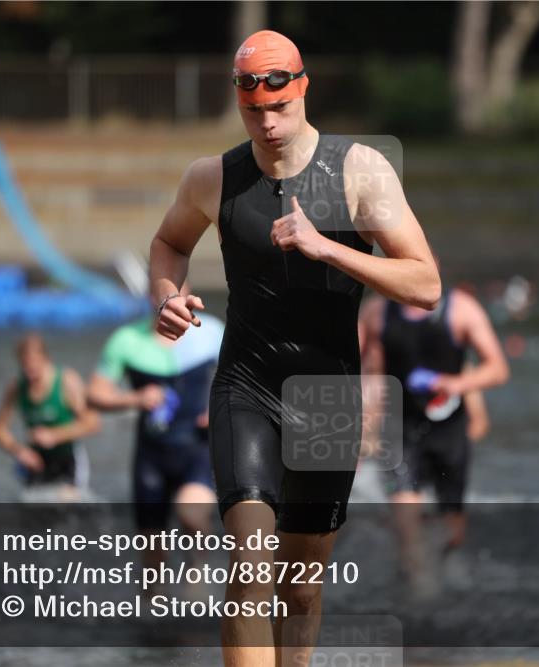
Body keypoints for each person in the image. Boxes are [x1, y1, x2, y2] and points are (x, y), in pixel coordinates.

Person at [148, 29, 441, 667]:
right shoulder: (213, 177)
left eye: (279, 106)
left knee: (301, 583)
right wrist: (166, 295)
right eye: (253, 110)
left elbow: (425, 282)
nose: (268, 122)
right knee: (250, 564)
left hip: (328, 394)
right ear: (239, 103)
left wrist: (328, 245)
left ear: (302, 87)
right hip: (245, 386)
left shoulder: (360, 170)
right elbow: (169, 243)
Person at [358, 279, 509, 595]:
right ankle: (419, 593)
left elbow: (497, 369)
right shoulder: (377, 312)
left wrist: (455, 385)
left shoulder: (462, 311)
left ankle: (447, 578)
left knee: (451, 529)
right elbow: (363, 370)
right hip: (397, 430)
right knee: (407, 521)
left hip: (449, 431)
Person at [87, 282, 223, 577]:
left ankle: (197, 581)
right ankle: (153, 609)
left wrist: (221, 407)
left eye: (179, 292)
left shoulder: (210, 332)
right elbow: (94, 395)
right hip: (151, 456)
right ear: (152, 296)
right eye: (162, 293)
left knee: (192, 513)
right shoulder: (127, 340)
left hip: (197, 448)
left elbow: (242, 379)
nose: (172, 301)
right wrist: (135, 398)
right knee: (152, 565)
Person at [0, 333, 100, 500]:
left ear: (46, 359)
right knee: (32, 514)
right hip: (37, 461)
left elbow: (92, 423)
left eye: (35, 366)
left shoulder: (66, 381)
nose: (31, 373)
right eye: (26, 367)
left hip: (68, 459)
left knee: (68, 512)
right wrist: (18, 450)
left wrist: (55, 435)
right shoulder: (17, 388)